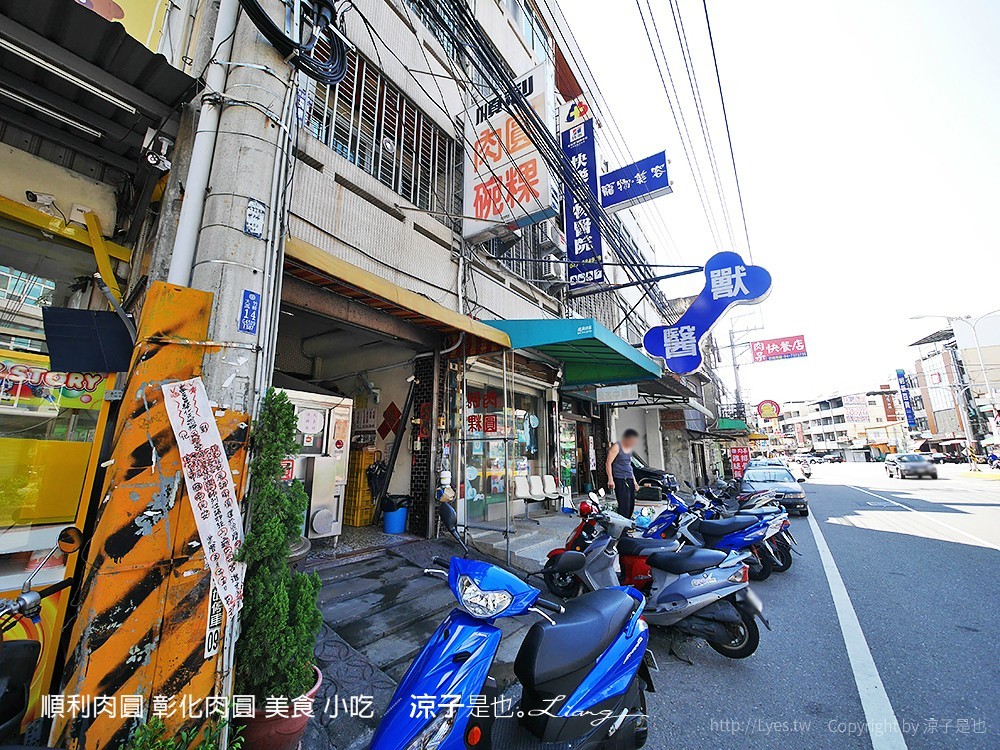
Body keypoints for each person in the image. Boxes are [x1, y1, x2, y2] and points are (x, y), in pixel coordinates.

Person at [606, 429, 640, 518]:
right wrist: (610, 479)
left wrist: (635, 481)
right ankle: (622, 527)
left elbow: (629, 466)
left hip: (629, 477)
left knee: (631, 504)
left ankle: (627, 524)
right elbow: (608, 463)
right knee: (624, 504)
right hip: (620, 478)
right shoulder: (617, 447)